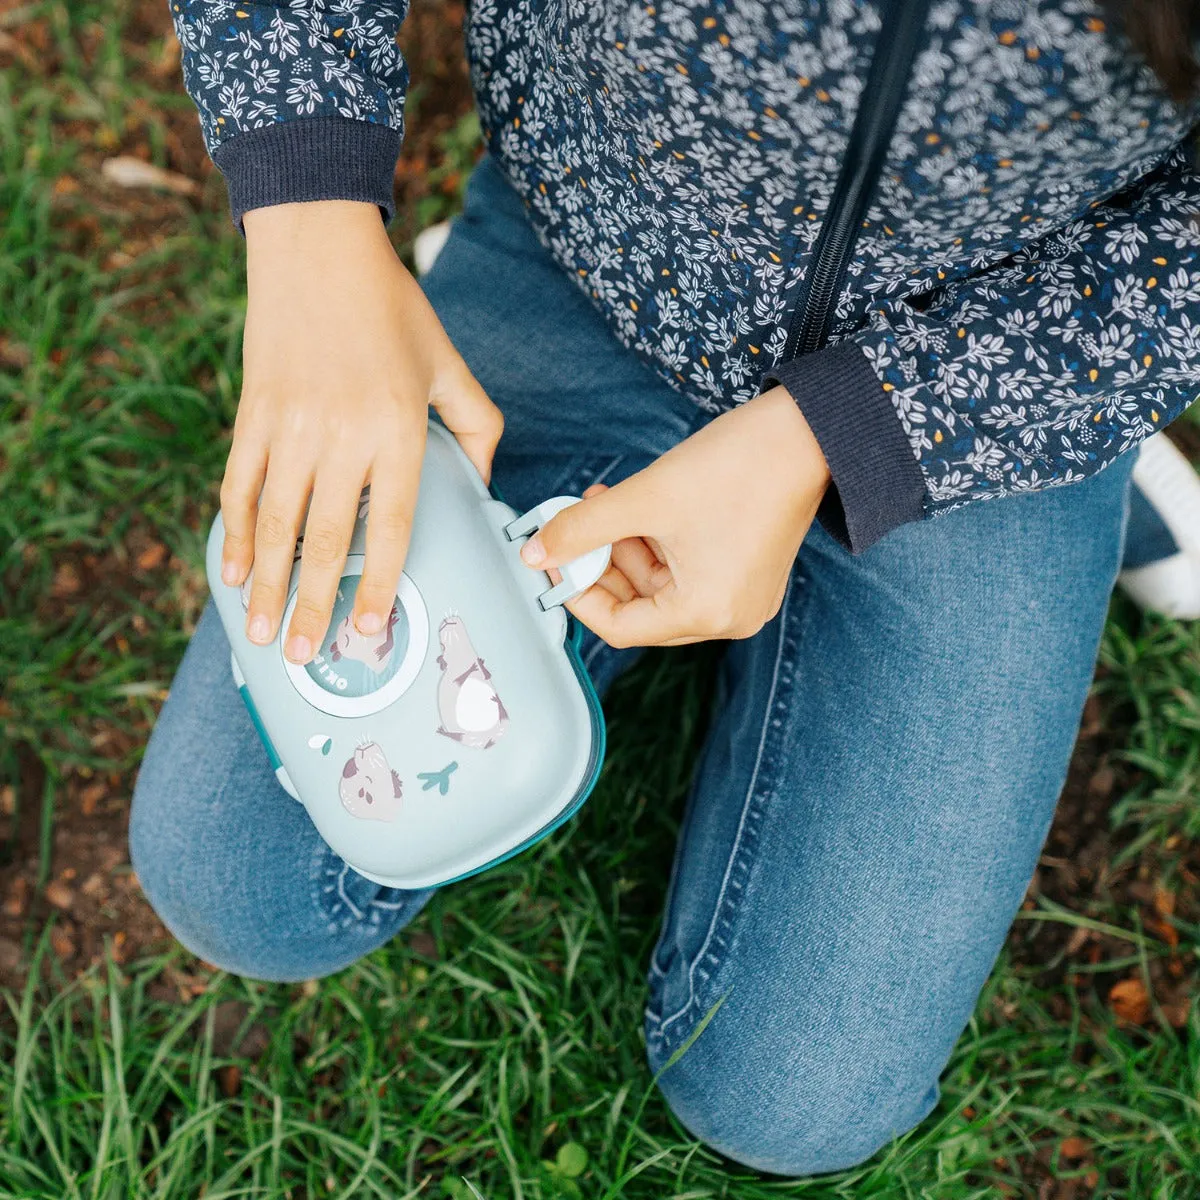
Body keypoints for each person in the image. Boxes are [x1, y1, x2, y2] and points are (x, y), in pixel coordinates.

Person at [131, 0, 1200, 1177]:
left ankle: (1089, 458)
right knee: (240, 883)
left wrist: (862, 434)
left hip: (998, 360)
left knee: (791, 1102)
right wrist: (311, 220)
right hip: (596, 261)